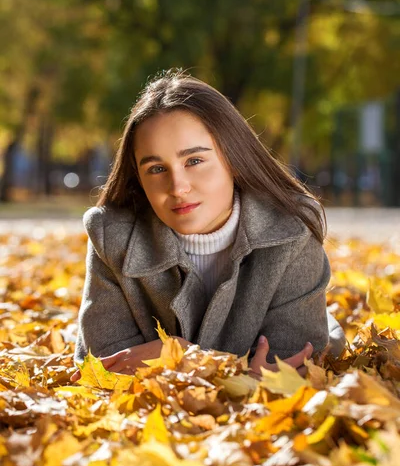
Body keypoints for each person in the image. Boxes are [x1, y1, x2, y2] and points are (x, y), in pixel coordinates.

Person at [71, 69, 345, 382]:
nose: (178, 187)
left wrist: (185, 357)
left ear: (233, 158)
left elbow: (289, 367)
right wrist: (239, 372)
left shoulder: (291, 230)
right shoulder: (112, 234)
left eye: (194, 161)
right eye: (157, 168)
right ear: (138, 177)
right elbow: (103, 367)